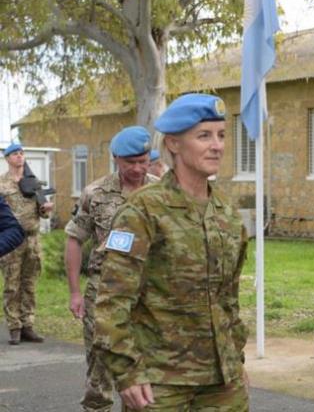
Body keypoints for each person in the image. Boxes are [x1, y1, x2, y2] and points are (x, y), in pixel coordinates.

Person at [93, 93, 249, 411]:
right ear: (174, 144)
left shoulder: (227, 213)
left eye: (221, 135)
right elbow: (112, 301)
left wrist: (236, 358)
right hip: (159, 379)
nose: (217, 145)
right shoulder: (142, 210)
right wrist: (128, 372)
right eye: (204, 136)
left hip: (222, 379)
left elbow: (228, 299)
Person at [64, 126, 156, 412]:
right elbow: (74, 239)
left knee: (146, 366)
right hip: (103, 293)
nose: (138, 168)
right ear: (116, 158)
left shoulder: (162, 192)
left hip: (150, 294)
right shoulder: (96, 193)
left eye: (143, 161)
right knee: (100, 364)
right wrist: (75, 292)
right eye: (130, 162)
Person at [0, 142, 53, 345]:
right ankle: (14, 327)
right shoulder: (1, 183)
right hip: (11, 241)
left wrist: (46, 210)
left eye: (22, 153)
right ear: (7, 158)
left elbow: (42, 212)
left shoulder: (33, 182)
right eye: (15, 154)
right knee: (12, 285)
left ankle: (28, 325)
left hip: (32, 239)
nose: (19, 156)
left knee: (29, 284)